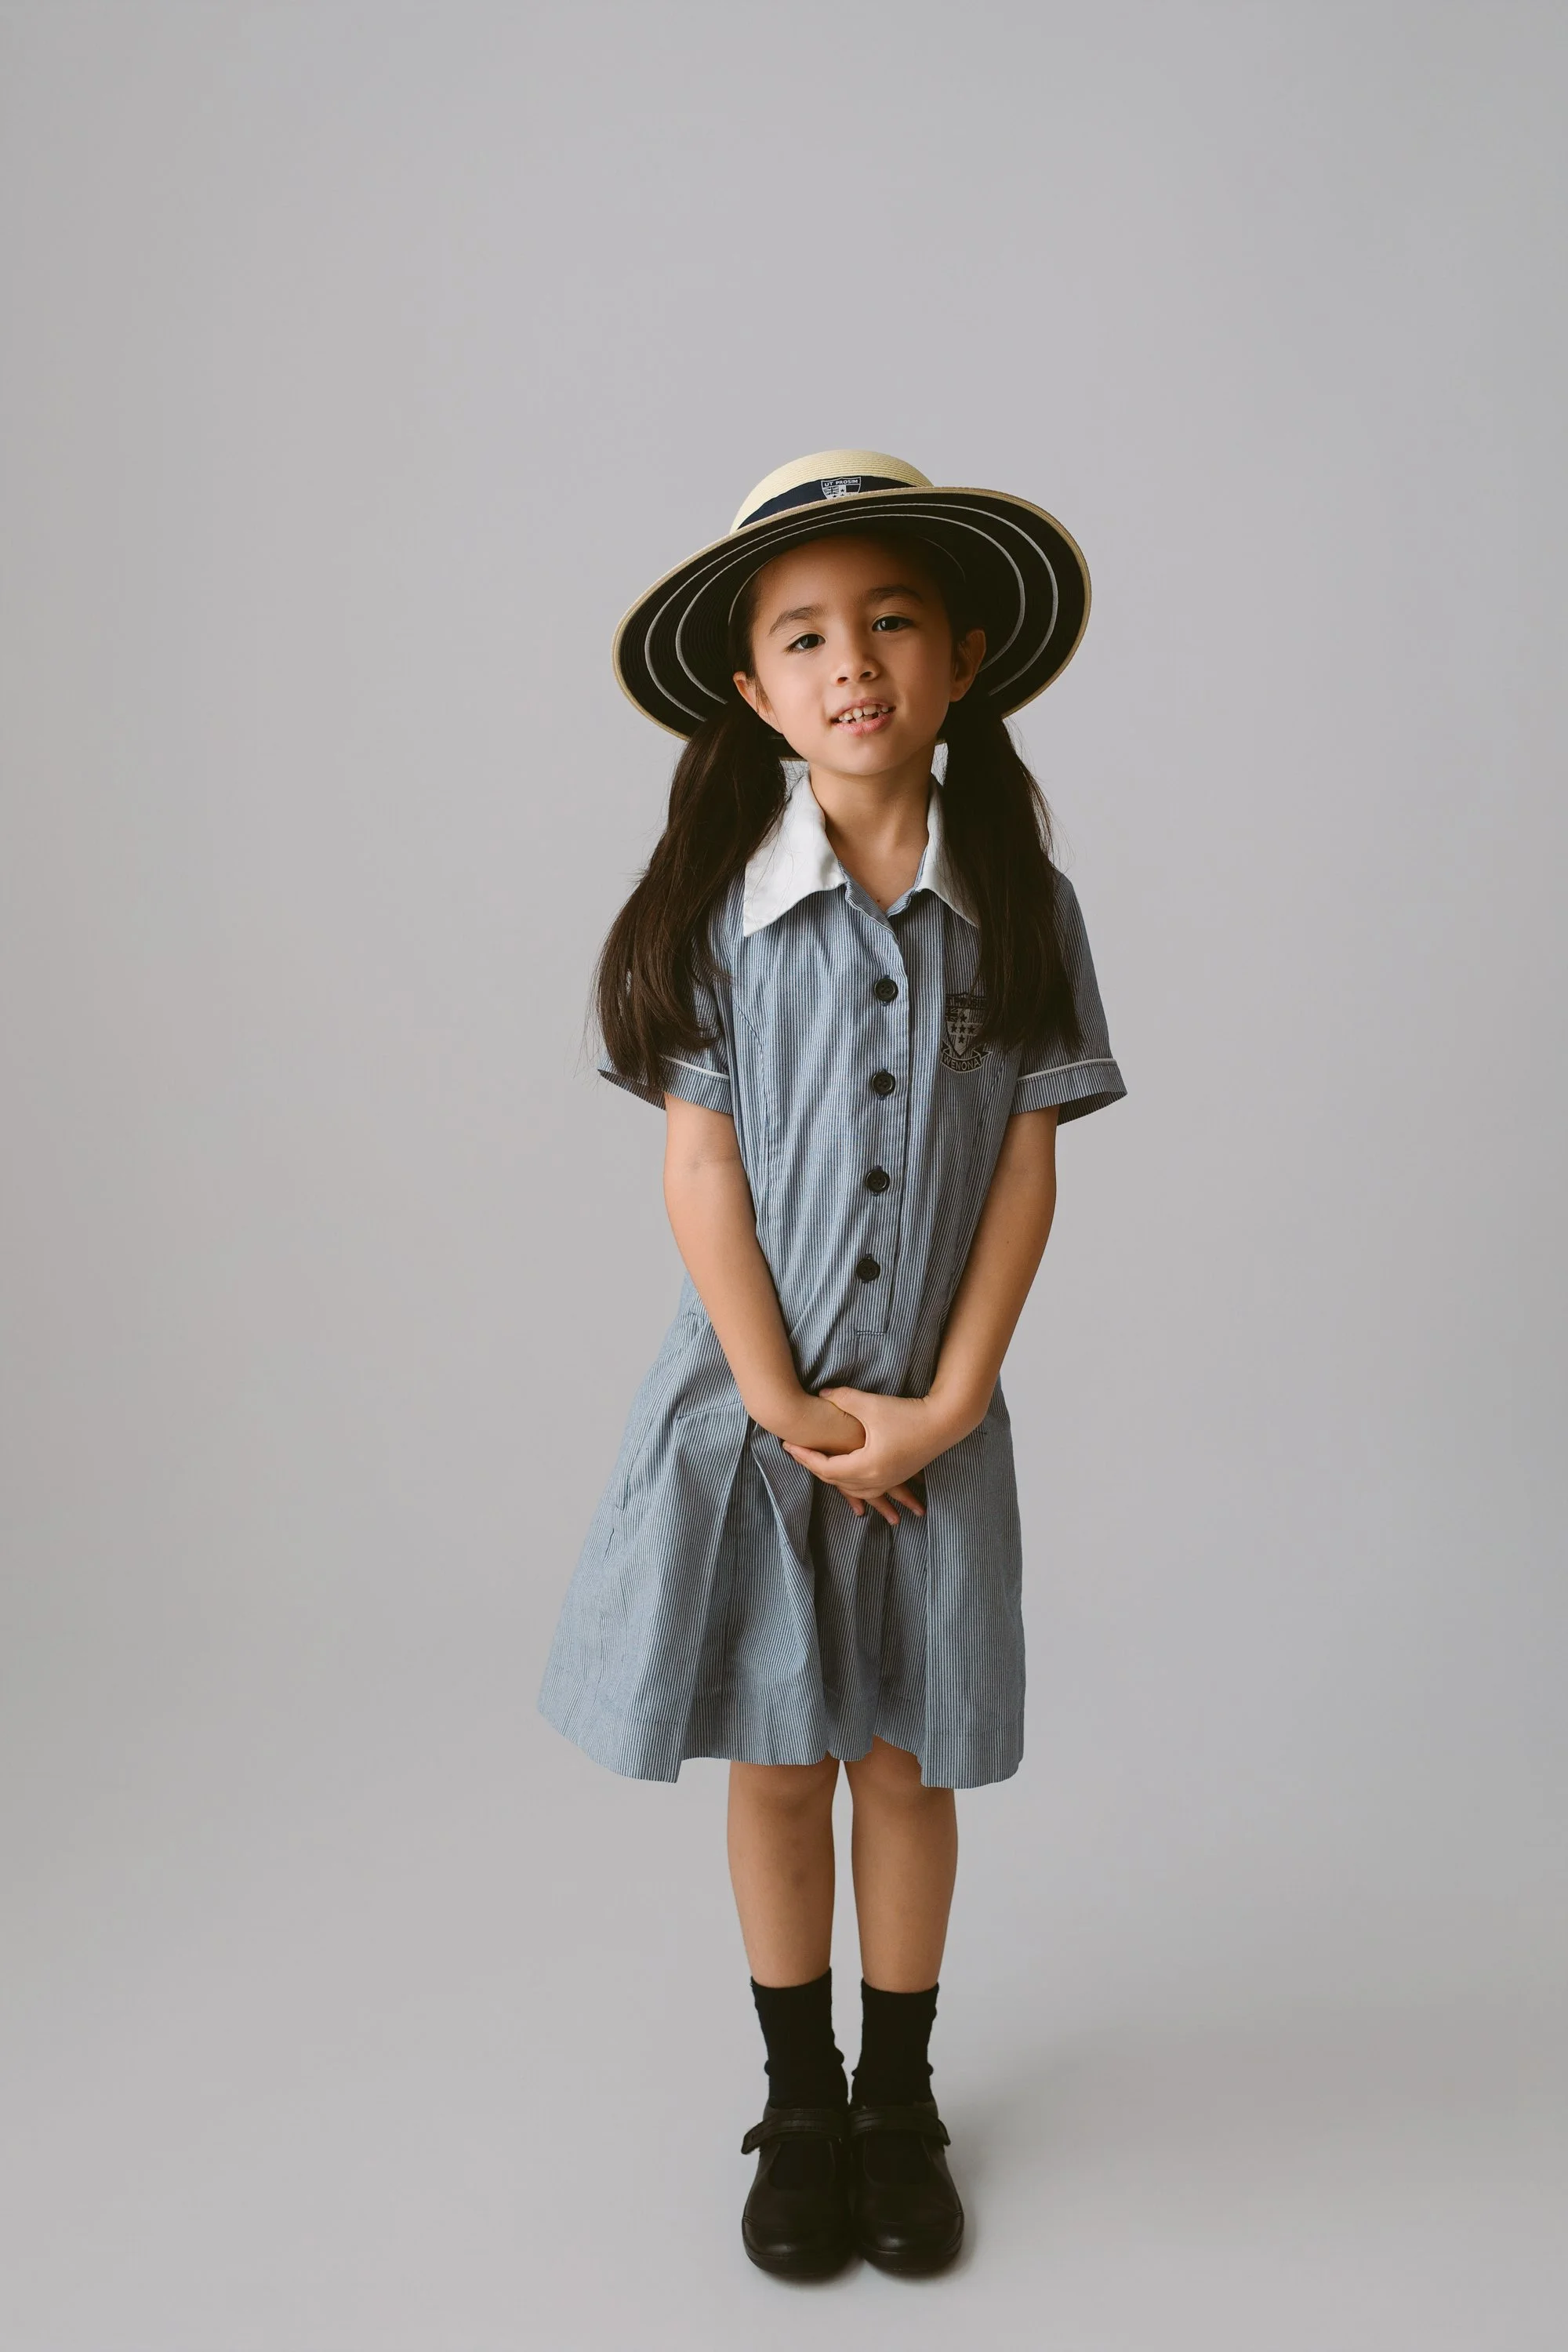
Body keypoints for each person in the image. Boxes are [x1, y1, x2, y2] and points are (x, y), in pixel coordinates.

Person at [539, 449, 1125, 2278]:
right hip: (755, 1414)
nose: (851, 660)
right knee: (780, 1762)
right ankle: (796, 2100)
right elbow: (700, 1167)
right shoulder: (718, 911)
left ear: (960, 656)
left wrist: (945, 1403)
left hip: (932, 1420)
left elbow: (1025, 1163)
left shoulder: (1020, 904)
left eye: (887, 622)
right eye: (805, 635)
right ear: (754, 688)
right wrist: (787, 1405)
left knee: (901, 1760)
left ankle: (898, 2096)